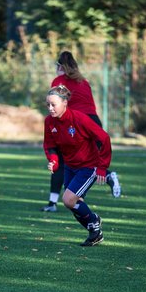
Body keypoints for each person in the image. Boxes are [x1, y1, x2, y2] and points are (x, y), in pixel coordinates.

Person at [41, 51, 121, 212]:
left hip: (77, 122)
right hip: (92, 120)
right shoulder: (83, 81)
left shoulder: (58, 81)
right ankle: (105, 176)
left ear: (59, 67)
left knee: (62, 162)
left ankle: (53, 203)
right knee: (86, 161)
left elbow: (56, 102)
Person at [43, 85, 112, 246]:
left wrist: (102, 166)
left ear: (65, 103)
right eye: (48, 104)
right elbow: (50, 144)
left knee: (68, 200)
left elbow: (104, 138)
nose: (50, 108)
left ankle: (94, 226)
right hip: (70, 166)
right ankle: (95, 230)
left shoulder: (79, 119)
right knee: (75, 202)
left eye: (54, 104)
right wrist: (54, 160)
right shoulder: (49, 122)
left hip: (89, 165)